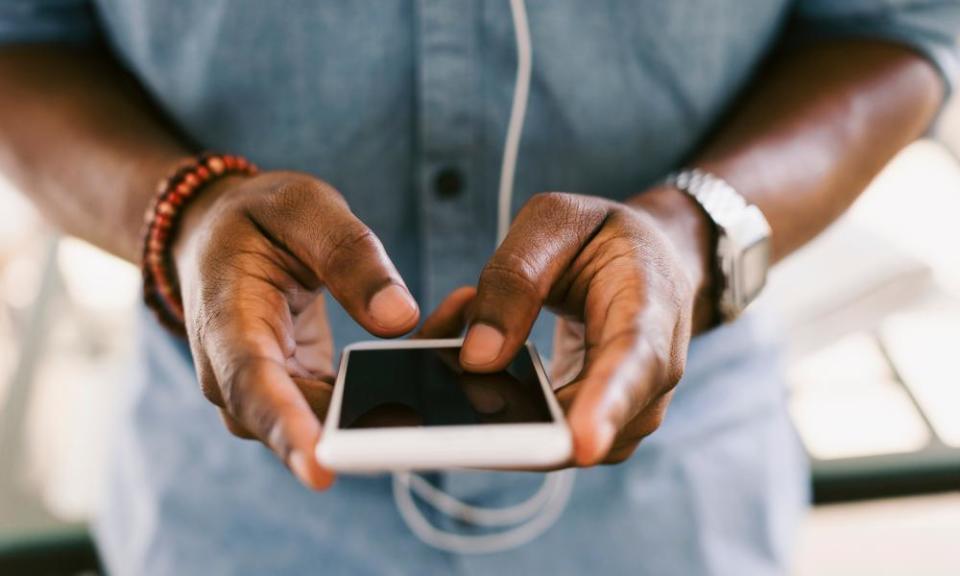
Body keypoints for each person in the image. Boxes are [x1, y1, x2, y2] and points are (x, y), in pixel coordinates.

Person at [1, 1, 957, 574]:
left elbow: (899, 26)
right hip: (232, 505)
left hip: (674, 489)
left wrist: (695, 237)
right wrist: (184, 212)